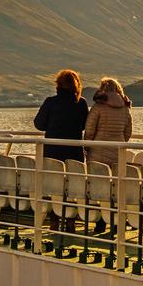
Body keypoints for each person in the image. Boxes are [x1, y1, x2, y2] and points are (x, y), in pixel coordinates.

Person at [34, 69, 89, 232]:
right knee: (73, 187)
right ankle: (71, 222)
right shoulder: (81, 103)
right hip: (74, 152)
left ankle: (54, 220)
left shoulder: (51, 102)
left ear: (58, 85)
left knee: (53, 187)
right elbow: (85, 124)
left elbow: (39, 124)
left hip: (52, 152)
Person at [84, 76, 133, 165]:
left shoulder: (98, 106)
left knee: (97, 178)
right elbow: (128, 132)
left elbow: (90, 130)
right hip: (118, 152)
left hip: (97, 152)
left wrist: (87, 146)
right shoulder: (125, 108)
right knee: (116, 177)